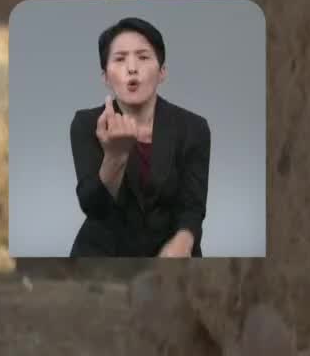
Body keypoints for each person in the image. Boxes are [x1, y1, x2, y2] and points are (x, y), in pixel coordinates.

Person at [68, 16, 210, 257]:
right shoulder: (86, 124)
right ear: (105, 76)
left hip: (173, 253)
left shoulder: (193, 127)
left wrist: (183, 242)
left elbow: (192, 206)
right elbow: (93, 207)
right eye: (120, 59)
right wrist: (116, 155)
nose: (132, 68)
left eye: (143, 57)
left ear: (162, 72)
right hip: (104, 256)